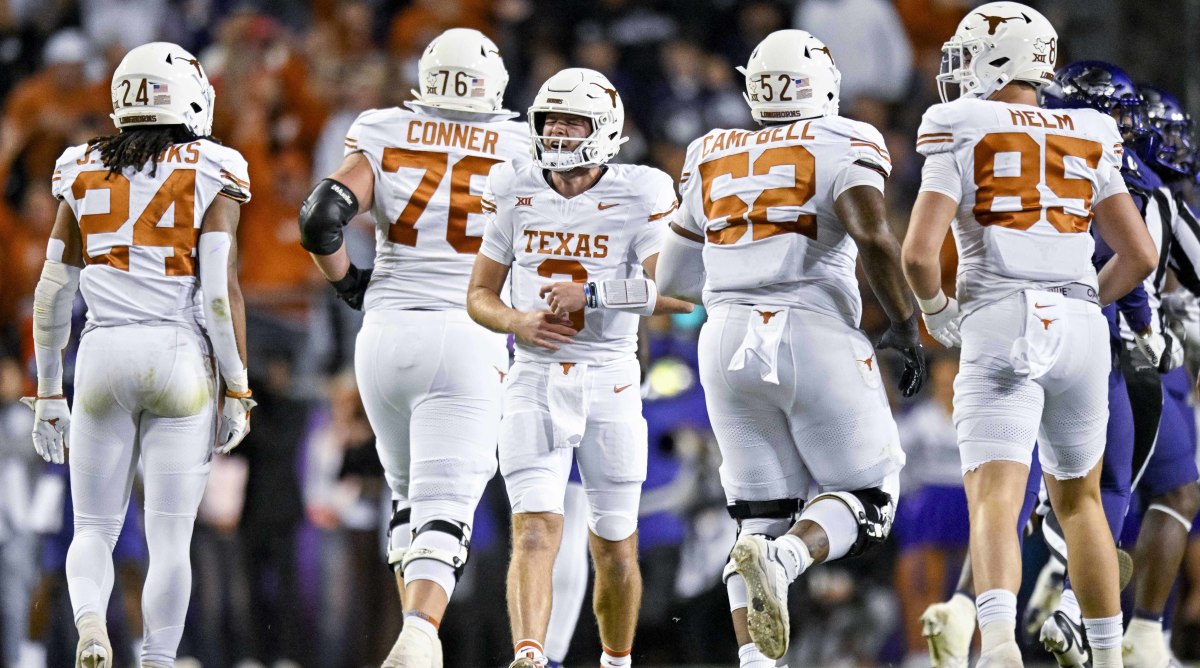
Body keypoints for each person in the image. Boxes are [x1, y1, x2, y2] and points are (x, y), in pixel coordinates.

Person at [656, 29, 926, 666]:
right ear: (823, 82)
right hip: (808, 327)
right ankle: (791, 556)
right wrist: (906, 322)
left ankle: (755, 658)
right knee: (868, 499)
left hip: (723, 339)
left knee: (756, 522)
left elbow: (670, 282)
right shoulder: (845, 138)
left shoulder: (711, 149)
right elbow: (874, 237)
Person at [901, 3, 1158, 666]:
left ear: (996, 56)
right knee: (1081, 504)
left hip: (1000, 314)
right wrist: (1082, 303)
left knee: (997, 495)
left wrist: (935, 313)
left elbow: (918, 253)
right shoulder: (1091, 128)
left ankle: (1001, 648)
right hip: (1078, 324)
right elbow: (1139, 257)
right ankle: (1106, 654)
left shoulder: (957, 122)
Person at [297, 27, 528, 668]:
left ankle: (416, 637)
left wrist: (350, 285)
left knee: (408, 505)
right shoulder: (520, 143)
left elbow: (320, 218)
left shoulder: (382, 127)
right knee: (446, 512)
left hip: (384, 335)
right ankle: (422, 633)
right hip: (467, 333)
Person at [23, 41, 255, 667]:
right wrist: (237, 385)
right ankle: (156, 660)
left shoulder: (79, 164)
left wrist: (48, 391)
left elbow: (52, 292)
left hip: (101, 354)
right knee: (170, 539)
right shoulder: (215, 164)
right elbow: (217, 289)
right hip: (179, 353)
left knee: (93, 528)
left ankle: (92, 626)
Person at [466, 66, 692, 668]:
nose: (559, 132)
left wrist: (593, 295)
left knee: (614, 547)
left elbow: (676, 292)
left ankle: (615, 661)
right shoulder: (516, 188)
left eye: (574, 121)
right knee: (534, 530)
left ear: (608, 128)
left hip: (611, 378)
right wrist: (517, 321)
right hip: (534, 376)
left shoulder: (640, 191)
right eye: (551, 120)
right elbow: (479, 295)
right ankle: (531, 656)